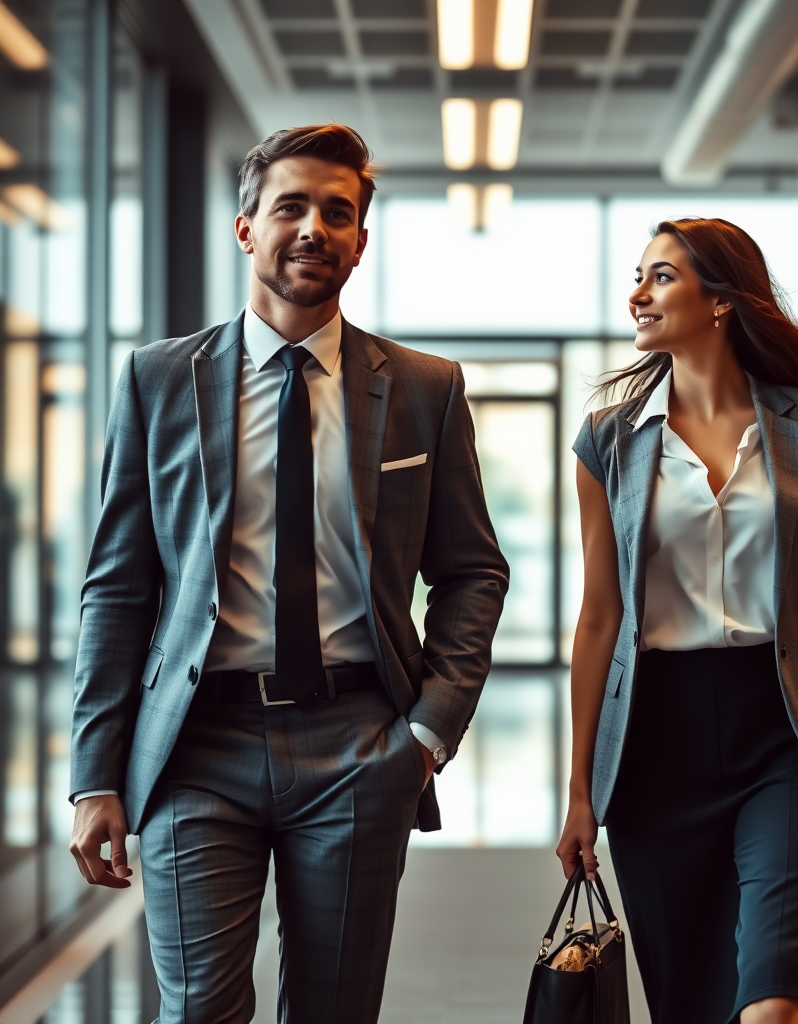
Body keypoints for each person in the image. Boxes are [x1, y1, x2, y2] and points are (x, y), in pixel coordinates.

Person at [68, 123, 508, 1024]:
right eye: (292, 207)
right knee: (197, 1011)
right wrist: (94, 775)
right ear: (246, 229)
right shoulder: (159, 380)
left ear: (360, 241)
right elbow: (118, 585)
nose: (314, 228)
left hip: (358, 743)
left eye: (337, 213)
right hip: (195, 744)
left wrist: (427, 732)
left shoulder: (424, 389)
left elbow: (472, 571)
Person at [556, 217, 798, 1024]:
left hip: (782, 734)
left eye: (660, 278)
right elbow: (599, 620)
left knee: (775, 998)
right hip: (654, 746)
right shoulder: (607, 442)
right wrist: (579, 789)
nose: (637, 295)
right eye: (639, 277)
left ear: (720, 301)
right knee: (690, 1002)